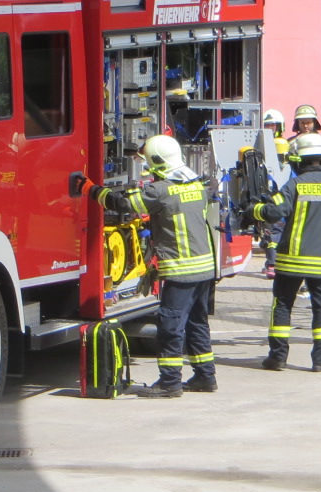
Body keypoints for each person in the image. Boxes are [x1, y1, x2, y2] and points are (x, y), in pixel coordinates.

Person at [75, 134, 219, 397]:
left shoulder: (160, 191)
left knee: (170, 326)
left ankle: (170, 382)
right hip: (205, 269)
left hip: (181, 270)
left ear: (158, 161)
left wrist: (89, 189)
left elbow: (121, 204)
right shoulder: (196, 185)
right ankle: (205, 376)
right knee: (197, 322)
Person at [250, 132, 321, 372]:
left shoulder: (295, 184)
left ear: (299, 160)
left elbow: (273, 212)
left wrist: (254, 209)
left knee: (282, 306)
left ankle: (277, 357)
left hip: (292, 261)